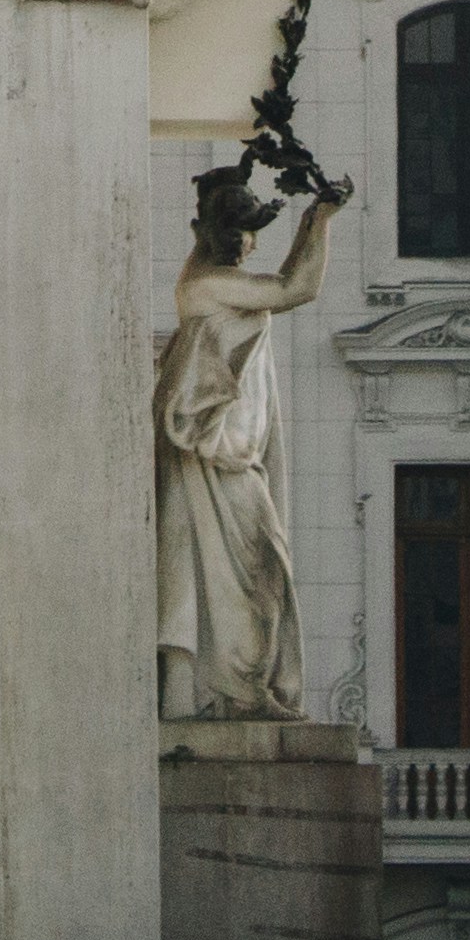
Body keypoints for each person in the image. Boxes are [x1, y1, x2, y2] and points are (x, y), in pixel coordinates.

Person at [152, 154, 345, 722]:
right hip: (216, 461)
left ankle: (243, 688)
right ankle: (241, 691)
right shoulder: (208, 285)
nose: (240, 240)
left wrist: (309, 221)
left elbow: (283, 284)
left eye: (248, 229)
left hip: (235, 459)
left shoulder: (216, 281)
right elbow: (296, 288)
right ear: (205, 234)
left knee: (262, 574)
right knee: (261, 572)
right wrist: (320, 219)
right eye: (230, 229)